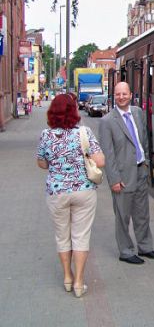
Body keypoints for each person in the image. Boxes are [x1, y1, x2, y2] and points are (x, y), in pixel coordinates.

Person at [36, 94, 105, 298]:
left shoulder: (46, 135)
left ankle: (67, 277)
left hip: (57, 192)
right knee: (81, 236)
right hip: (83, 191)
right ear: (74, 111)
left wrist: (56, 163)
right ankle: (79, 282)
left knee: (62, 236)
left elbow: (41, 163)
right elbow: (100, 161)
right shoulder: (84, 132)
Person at [99, 82, 154, 265]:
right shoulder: (107, 121)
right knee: (123, 216)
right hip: (122, 176)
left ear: (130, 94)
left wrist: (147, 164)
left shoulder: (138, 113)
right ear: (114, 96)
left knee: (142, 214)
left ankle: (145, 247)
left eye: (124, 93)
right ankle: (126, 251)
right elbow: (108, 154)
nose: (121, 97)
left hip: (140, 170)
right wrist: (114, 179)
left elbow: (144, 140)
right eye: (118, 94)